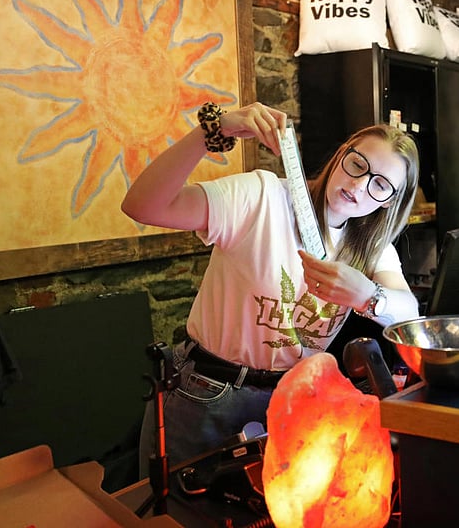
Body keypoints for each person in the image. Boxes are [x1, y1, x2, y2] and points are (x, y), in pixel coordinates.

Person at [121, 101, 421, 467]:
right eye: (358, 165)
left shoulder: (372, 248)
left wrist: (368, 296)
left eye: (381, 186)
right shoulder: (260, 196)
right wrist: (210, 133)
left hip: (292, 402)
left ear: (391, 202)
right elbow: (142, 206)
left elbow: (409, 314)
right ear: (342, 154)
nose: (358, 187)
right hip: (209, 391)